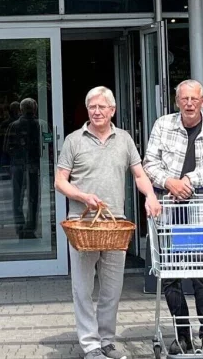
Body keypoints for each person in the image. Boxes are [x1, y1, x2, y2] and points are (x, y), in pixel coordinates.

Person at [56, 86, 162, 359]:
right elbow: (60, 182)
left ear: (112, 110)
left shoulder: (124, 139)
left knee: (112, 288)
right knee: (82, 288)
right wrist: (81, 196)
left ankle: (107, 341)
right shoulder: (73, 140)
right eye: (92, 106)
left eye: (102, 106)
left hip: (115, 224)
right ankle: (90, 345)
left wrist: (150, 195)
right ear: (87, 110)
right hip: (82, 226)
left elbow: (139, 174)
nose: (97, 111)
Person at [142, 79, 203, 355]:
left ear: (202, 101)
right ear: (177, 101)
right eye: (184, 99)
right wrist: (170, 182)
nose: (189, 104)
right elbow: (149, 163)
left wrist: (189, 181)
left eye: (194, 99)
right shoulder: (163, 125)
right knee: (169, 277)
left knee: (202, 276)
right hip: (169, 213)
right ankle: (182, 336)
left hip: (201, 213)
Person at [4, 98, 44, 238]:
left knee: (17, 198)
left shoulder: (13, 126)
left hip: (18, 165)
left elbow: (7, 147)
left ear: (21, 110)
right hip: (34, 165)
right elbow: (49, 143)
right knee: (33, 197)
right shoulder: (41, 125)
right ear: (35, 109)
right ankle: (30, 228)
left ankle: (20, 229)